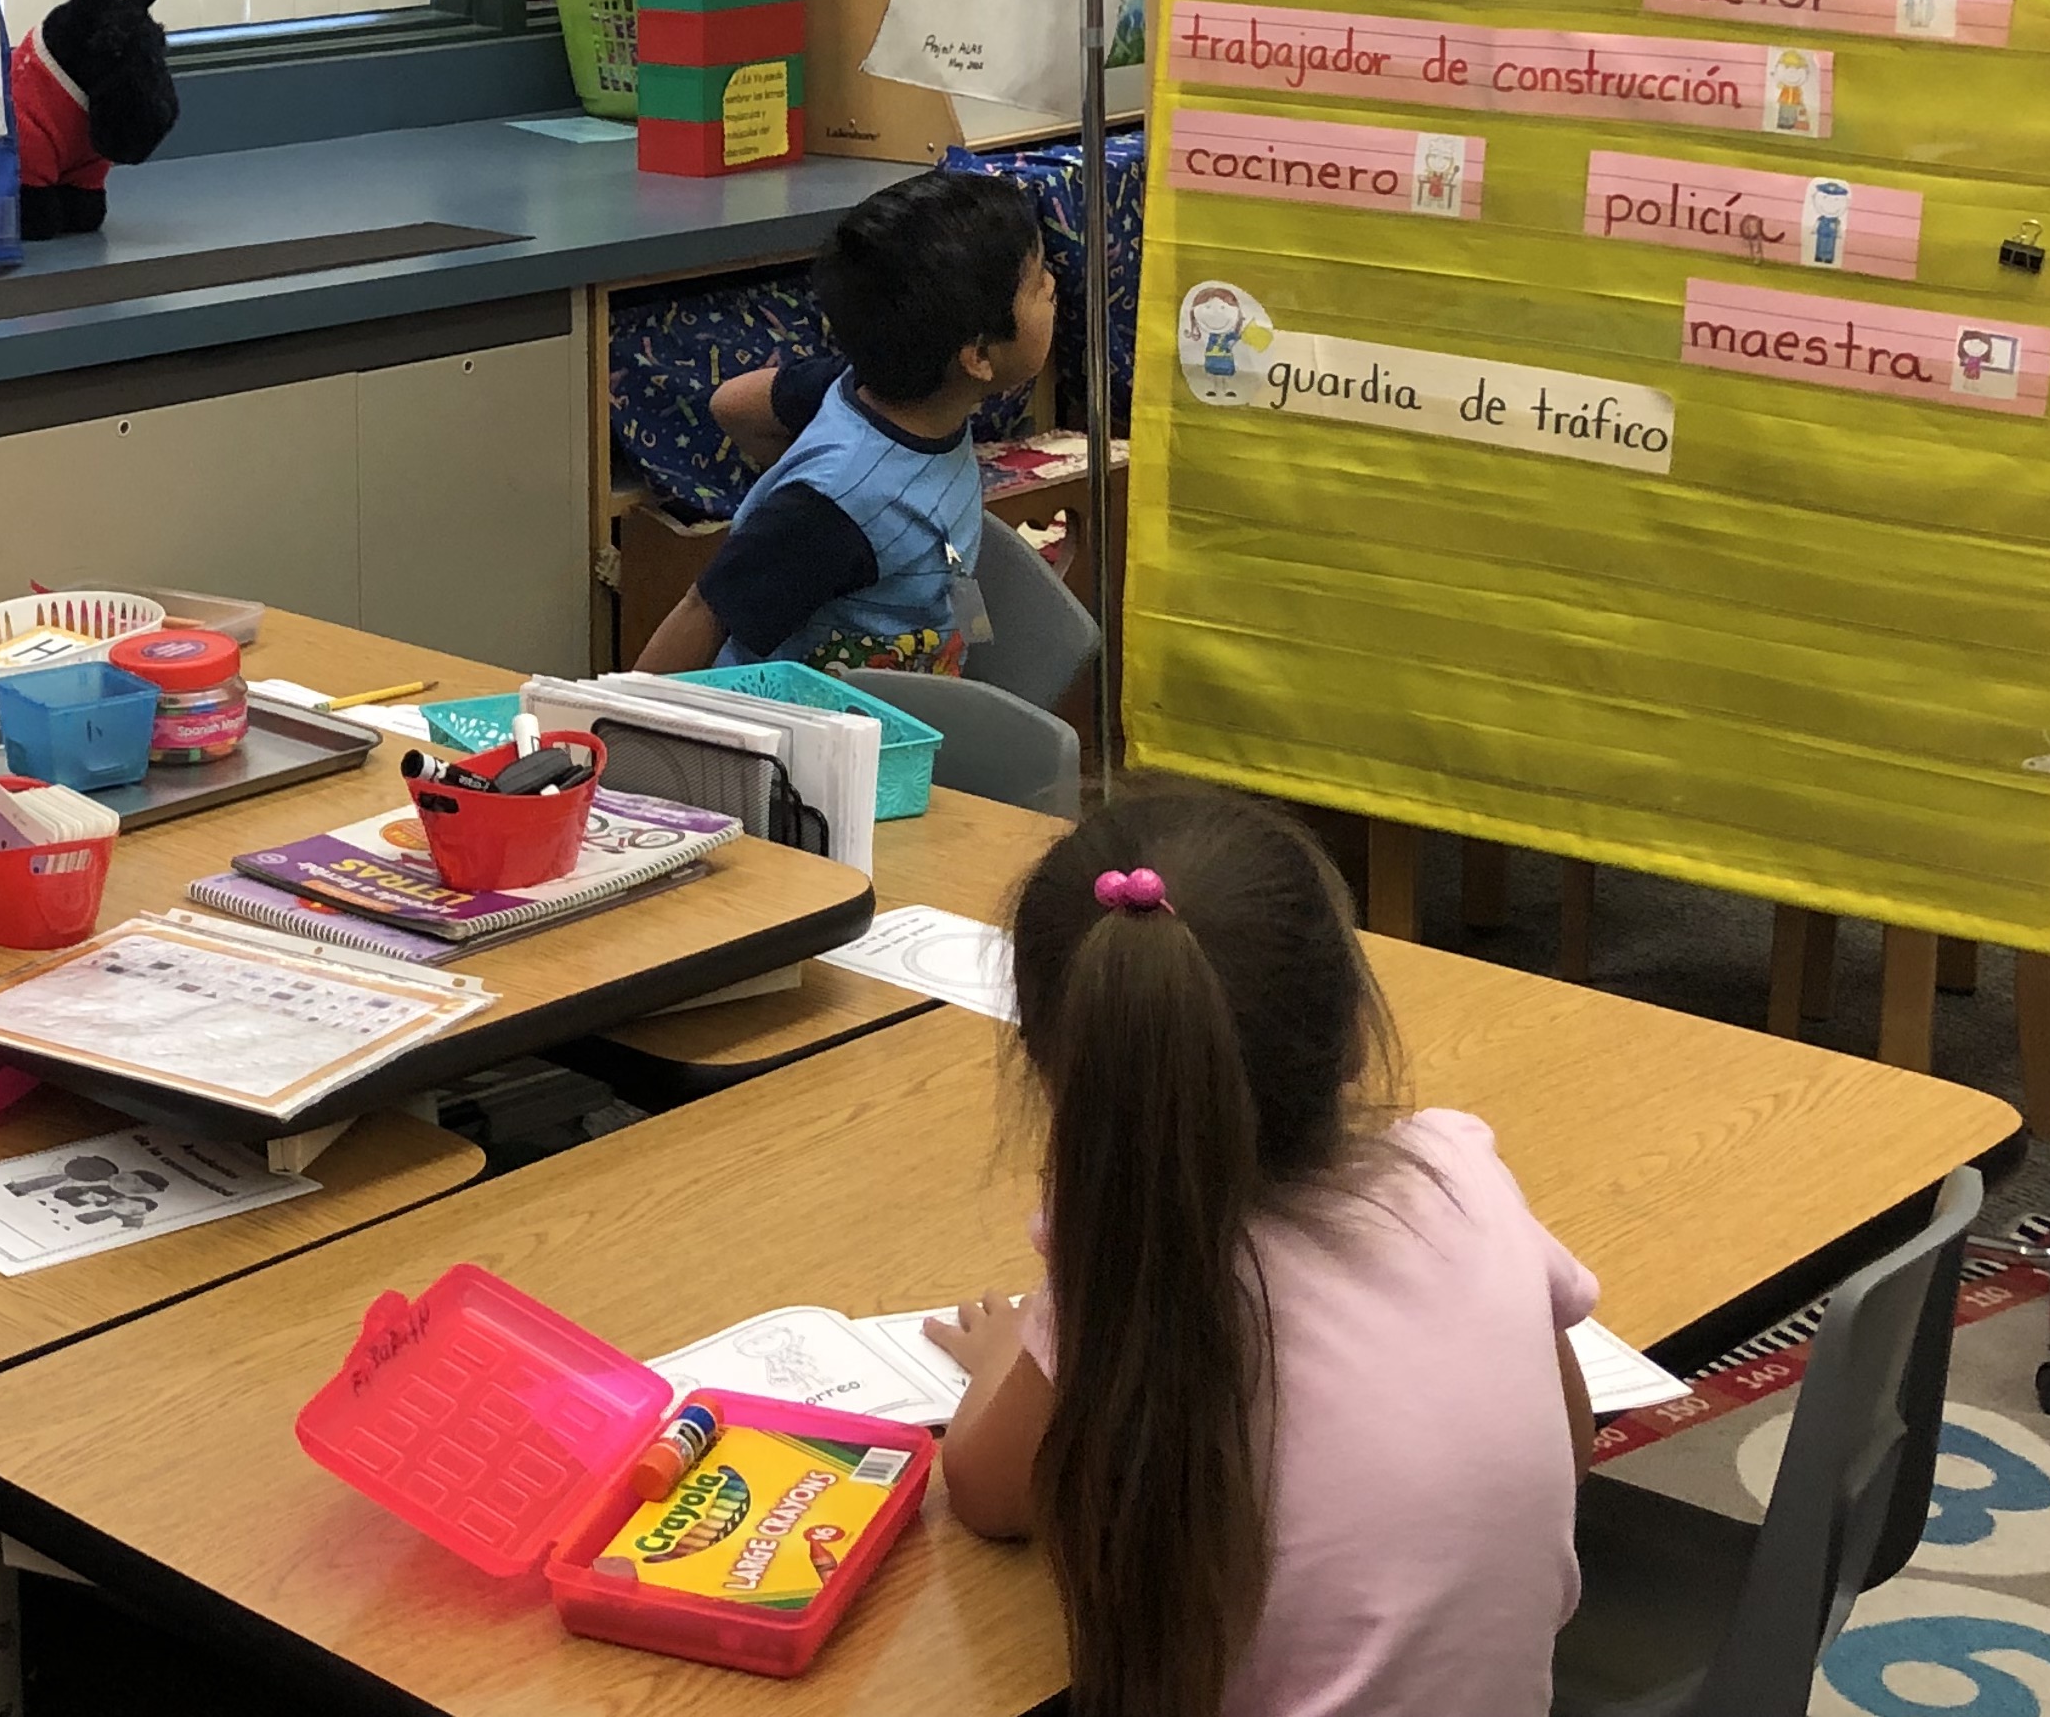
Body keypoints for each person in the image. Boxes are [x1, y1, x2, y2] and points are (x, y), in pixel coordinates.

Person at [923, 791, 1596, 1717]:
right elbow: (1572, 1444)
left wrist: (1011, 1350)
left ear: (1062, 1082)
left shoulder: (1137, 1269)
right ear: (1354, 1028)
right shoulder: (1460, 1173)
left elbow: (986, 1492)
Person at [640, 169, 1052, 674]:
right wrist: (626, 730)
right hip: (814, 735)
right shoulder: (835, 508)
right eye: (1037, 284)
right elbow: (704, 612)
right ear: (979, 356)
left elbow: (732, 402)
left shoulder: (859, 384)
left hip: (922, 689)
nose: (1053, 287)